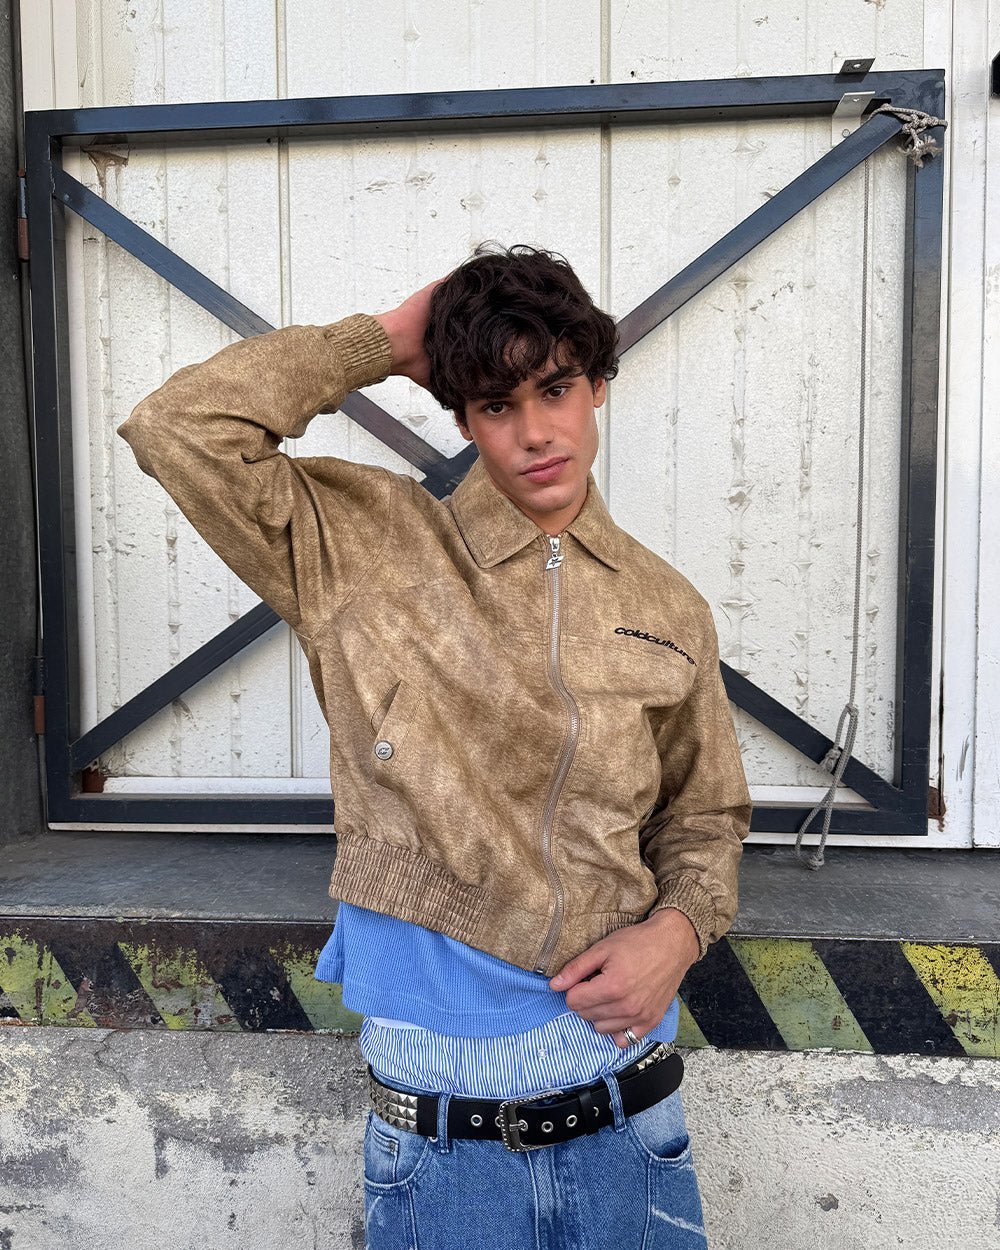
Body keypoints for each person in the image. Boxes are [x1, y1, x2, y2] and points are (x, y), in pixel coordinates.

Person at [118, 242, 752, 1248]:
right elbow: (177, 428)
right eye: (496, 404)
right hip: (442, 1150)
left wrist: (677, 931)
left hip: (631, 1123)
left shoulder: (666, 604)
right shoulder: (366, 547)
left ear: (597, 386)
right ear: (461, 419)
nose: (535, 432)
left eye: (556, 389)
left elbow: (706, 814)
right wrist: (383, 339)